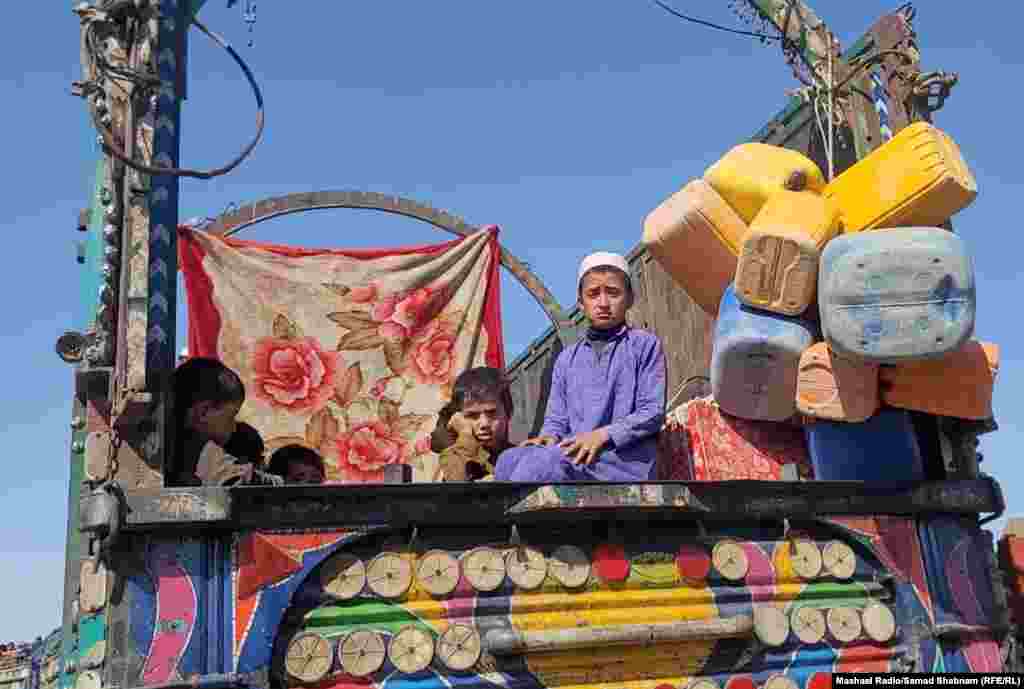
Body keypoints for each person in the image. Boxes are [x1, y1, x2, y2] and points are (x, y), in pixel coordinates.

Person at [495, 251, 666, 481]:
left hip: (624, 460)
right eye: (593, 294)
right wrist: (548, 437)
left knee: (547, 462)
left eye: (613, 293)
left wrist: (602, 435)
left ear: (630, 299)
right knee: (507, 460)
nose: (603, 303)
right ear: (581, 303)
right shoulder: (567, 359)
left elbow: (652, 412)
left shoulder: (644, 345)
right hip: (576, 456)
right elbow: (556, 420)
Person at [169, 357, 246, 487]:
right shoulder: (205, 452)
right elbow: (236, 480)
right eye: (231, 416)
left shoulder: (170, 443)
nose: (234, 428)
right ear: (203, 412)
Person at [434, 367, 514, 481]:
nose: (484, 423)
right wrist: (465, 434)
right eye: (472, 415)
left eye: (492, 412)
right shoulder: (453, 455)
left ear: (508, 411)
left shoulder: (520, 455)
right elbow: (459, 483)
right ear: (459, 419)